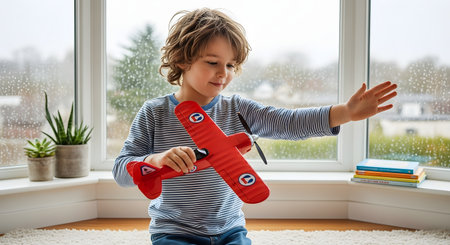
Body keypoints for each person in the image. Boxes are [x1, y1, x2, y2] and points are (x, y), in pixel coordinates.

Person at [113, 8, 397, 245]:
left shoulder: (239, 109)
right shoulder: (154, 112)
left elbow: (287, 122)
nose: (223, 73)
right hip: (174, 231)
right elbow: (121, 169)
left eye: (231, 65)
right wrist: (154, 160)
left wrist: (344, 112)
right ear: (181, 61)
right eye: (212, 62)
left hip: (230, 230)